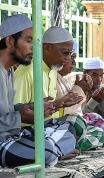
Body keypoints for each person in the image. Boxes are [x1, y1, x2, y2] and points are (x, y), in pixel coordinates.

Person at [0, 15, 78, 167]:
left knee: (70, 126)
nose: (34, 48)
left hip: (11, 137)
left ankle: (49, 154)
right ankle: (52, 154)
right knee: (46, 151)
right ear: (10, 41)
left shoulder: (8, 68)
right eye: (29, 41)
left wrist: (29, 108)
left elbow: (2, 111)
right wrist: (19, 118)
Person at [12, 25, 81, 159]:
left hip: (47, 129)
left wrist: (60, 103)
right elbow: (15, 117)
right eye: (65, 53)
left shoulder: (53, 71)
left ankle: (55, 150)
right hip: (26, 133)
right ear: (47, 48)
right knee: (72, 130)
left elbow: (46, 112)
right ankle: (54, 153)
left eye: (70, 54)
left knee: (76, 123)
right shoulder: (27, 72)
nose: (68, 58)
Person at [56, 46, 104, 150]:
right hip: (85, 128)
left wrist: (103, 101)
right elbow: (79, 116)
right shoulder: (77, 88)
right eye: (94, 75)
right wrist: (94, 101)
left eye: (101, 75)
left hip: (103, 126)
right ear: (85, 74)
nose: (99, 79)